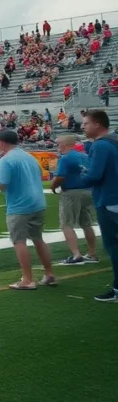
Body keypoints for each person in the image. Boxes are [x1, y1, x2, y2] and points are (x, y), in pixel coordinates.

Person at [0, 129, 55, 290]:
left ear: (3, 142)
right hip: (38, 203)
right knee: (38, 238)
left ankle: (27, 279)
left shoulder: (6, 160)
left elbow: (2, 185)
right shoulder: (30, 157)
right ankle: (49, 274)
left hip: (19, 206)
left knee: (19, 241)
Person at [80, 109, 118, 302]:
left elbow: (94, 176)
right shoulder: (114, 140)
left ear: (97, 124)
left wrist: (81, 177)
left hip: (109, 200)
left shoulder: (101, 145)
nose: (83, 127)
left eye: (86, 123)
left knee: (114, 246)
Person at [51, 135, 99, 265]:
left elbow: (60, 177)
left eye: (58, 144)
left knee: (66, 224)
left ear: (63, 145)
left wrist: (53, 186)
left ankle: (76, 254)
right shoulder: (84, 156)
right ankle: (92, 253)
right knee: (86, 223)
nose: (57, 147)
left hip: (71, 192)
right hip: (87, 191)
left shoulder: (65, 158)